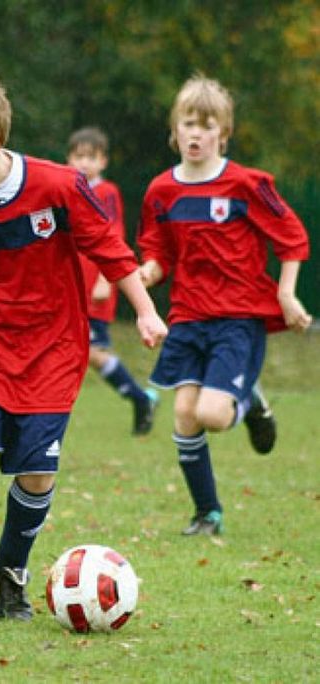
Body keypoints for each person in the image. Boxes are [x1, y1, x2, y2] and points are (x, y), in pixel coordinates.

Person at [0, 67, 166, 621]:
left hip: (53, 349)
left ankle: (10, 573)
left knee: (37, 473)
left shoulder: (59, 188)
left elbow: (112, 250)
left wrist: (144, 310)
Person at [137, 74, 312, 536]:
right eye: (188, 123)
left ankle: (249, 402)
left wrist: (286, 292)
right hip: (189, 317)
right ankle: (207, 514)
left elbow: (292, 239)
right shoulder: (161, 192)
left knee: (212, 416)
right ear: (175, 131)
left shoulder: (246, 185)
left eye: (207, 125)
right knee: (184, 415)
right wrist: (147, 273)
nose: (196, 133)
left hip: (237, 318)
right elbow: (158, 251)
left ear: (223, 134)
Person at [66, 127, 159, 435]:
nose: (83, 163)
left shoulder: (106, 193)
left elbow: (113, 235)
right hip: (70, 286)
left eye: (90, 157)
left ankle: (140, 398)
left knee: (92, 352)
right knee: (78, 353)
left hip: (96, 287)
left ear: (103, 161)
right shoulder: (66, 189)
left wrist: (107, 279)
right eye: (78, 156)